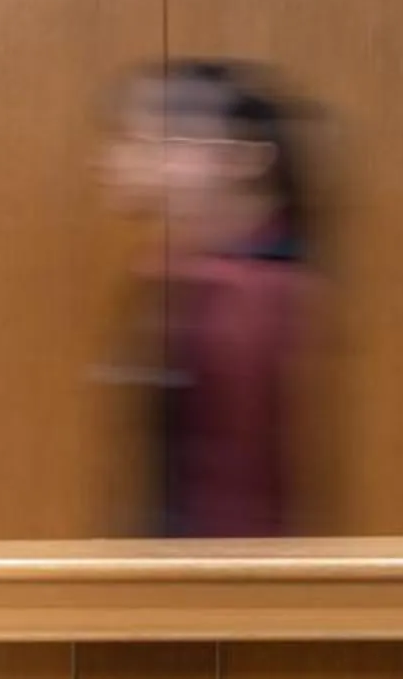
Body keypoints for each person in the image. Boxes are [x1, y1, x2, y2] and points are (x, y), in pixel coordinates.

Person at [97, 57, 319, 539]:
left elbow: (240, 498)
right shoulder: (183, 277)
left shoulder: (258, 295)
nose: (120, 159)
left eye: (154, 142)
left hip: (234, 576)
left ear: (243, 159)